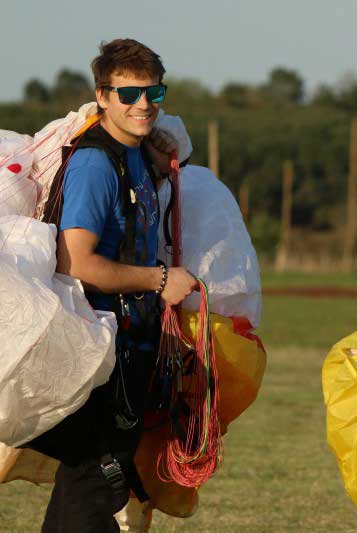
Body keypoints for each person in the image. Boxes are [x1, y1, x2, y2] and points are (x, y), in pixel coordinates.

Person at [28, 38, 198, 532]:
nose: (143, 104)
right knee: (98, 480)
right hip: (100, 348)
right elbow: (77, 260)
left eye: (153, 93)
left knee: (93, 480)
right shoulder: (96, 165)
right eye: (128, 95)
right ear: (102, 96)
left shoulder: (138, 157)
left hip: (128, 343)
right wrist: (160, 278)